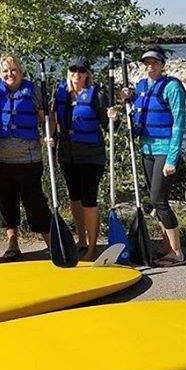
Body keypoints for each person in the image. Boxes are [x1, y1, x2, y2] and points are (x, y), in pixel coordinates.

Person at [122, 44, 186, 266]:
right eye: (147, 63)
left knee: (159, 201)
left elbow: (179, 124)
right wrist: (127, 100)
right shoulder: (141, 87)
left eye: (155, 63)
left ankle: (177, 253)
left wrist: (171, 159)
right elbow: (136, 114)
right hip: (146, 150)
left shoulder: (172, 87)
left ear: (162, 65)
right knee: (154, 200)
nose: (150, 67)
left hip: (165, 150)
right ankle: (166, 245)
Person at [51, 56, 118, 261]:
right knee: (74, 198)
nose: (77, 74)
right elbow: (52, 122)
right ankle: (81, 240)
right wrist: (51, 149)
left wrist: (115, 118)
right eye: (73, 70)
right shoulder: (60, 93)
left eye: (81, 71)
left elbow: (109, 126)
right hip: (67, 154)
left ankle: (92, 247)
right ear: (68, 71)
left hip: (91, 155)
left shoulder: (97, 95)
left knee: (89, 199)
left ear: (87, 74)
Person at [0, 55, 52, 259]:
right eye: (5, 71)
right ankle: (12, 243)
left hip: (28, 160)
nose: (10, 74)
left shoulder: (34, 92)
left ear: (21, 72)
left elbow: (46, 119)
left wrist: (49, 135)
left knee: (35, 203)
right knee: (6, 203)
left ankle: (52, 243)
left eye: (14, 70)